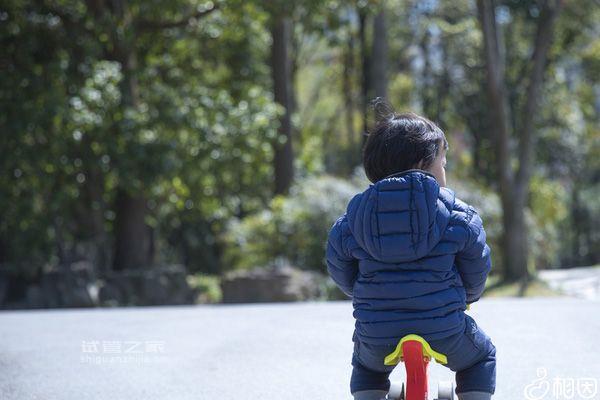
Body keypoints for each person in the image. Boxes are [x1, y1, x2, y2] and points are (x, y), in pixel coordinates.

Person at [326, 103, 496, 400]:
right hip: (445, 329)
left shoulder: (352, 220)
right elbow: (476, 268)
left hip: (378, 333)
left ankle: (369, 395)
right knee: (481, 357)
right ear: (422, 163)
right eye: (443, 163)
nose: (445, 172)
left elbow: (340, 268)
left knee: (367, 366)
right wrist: (466, 295)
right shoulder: (458, 214)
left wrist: (364, 293)